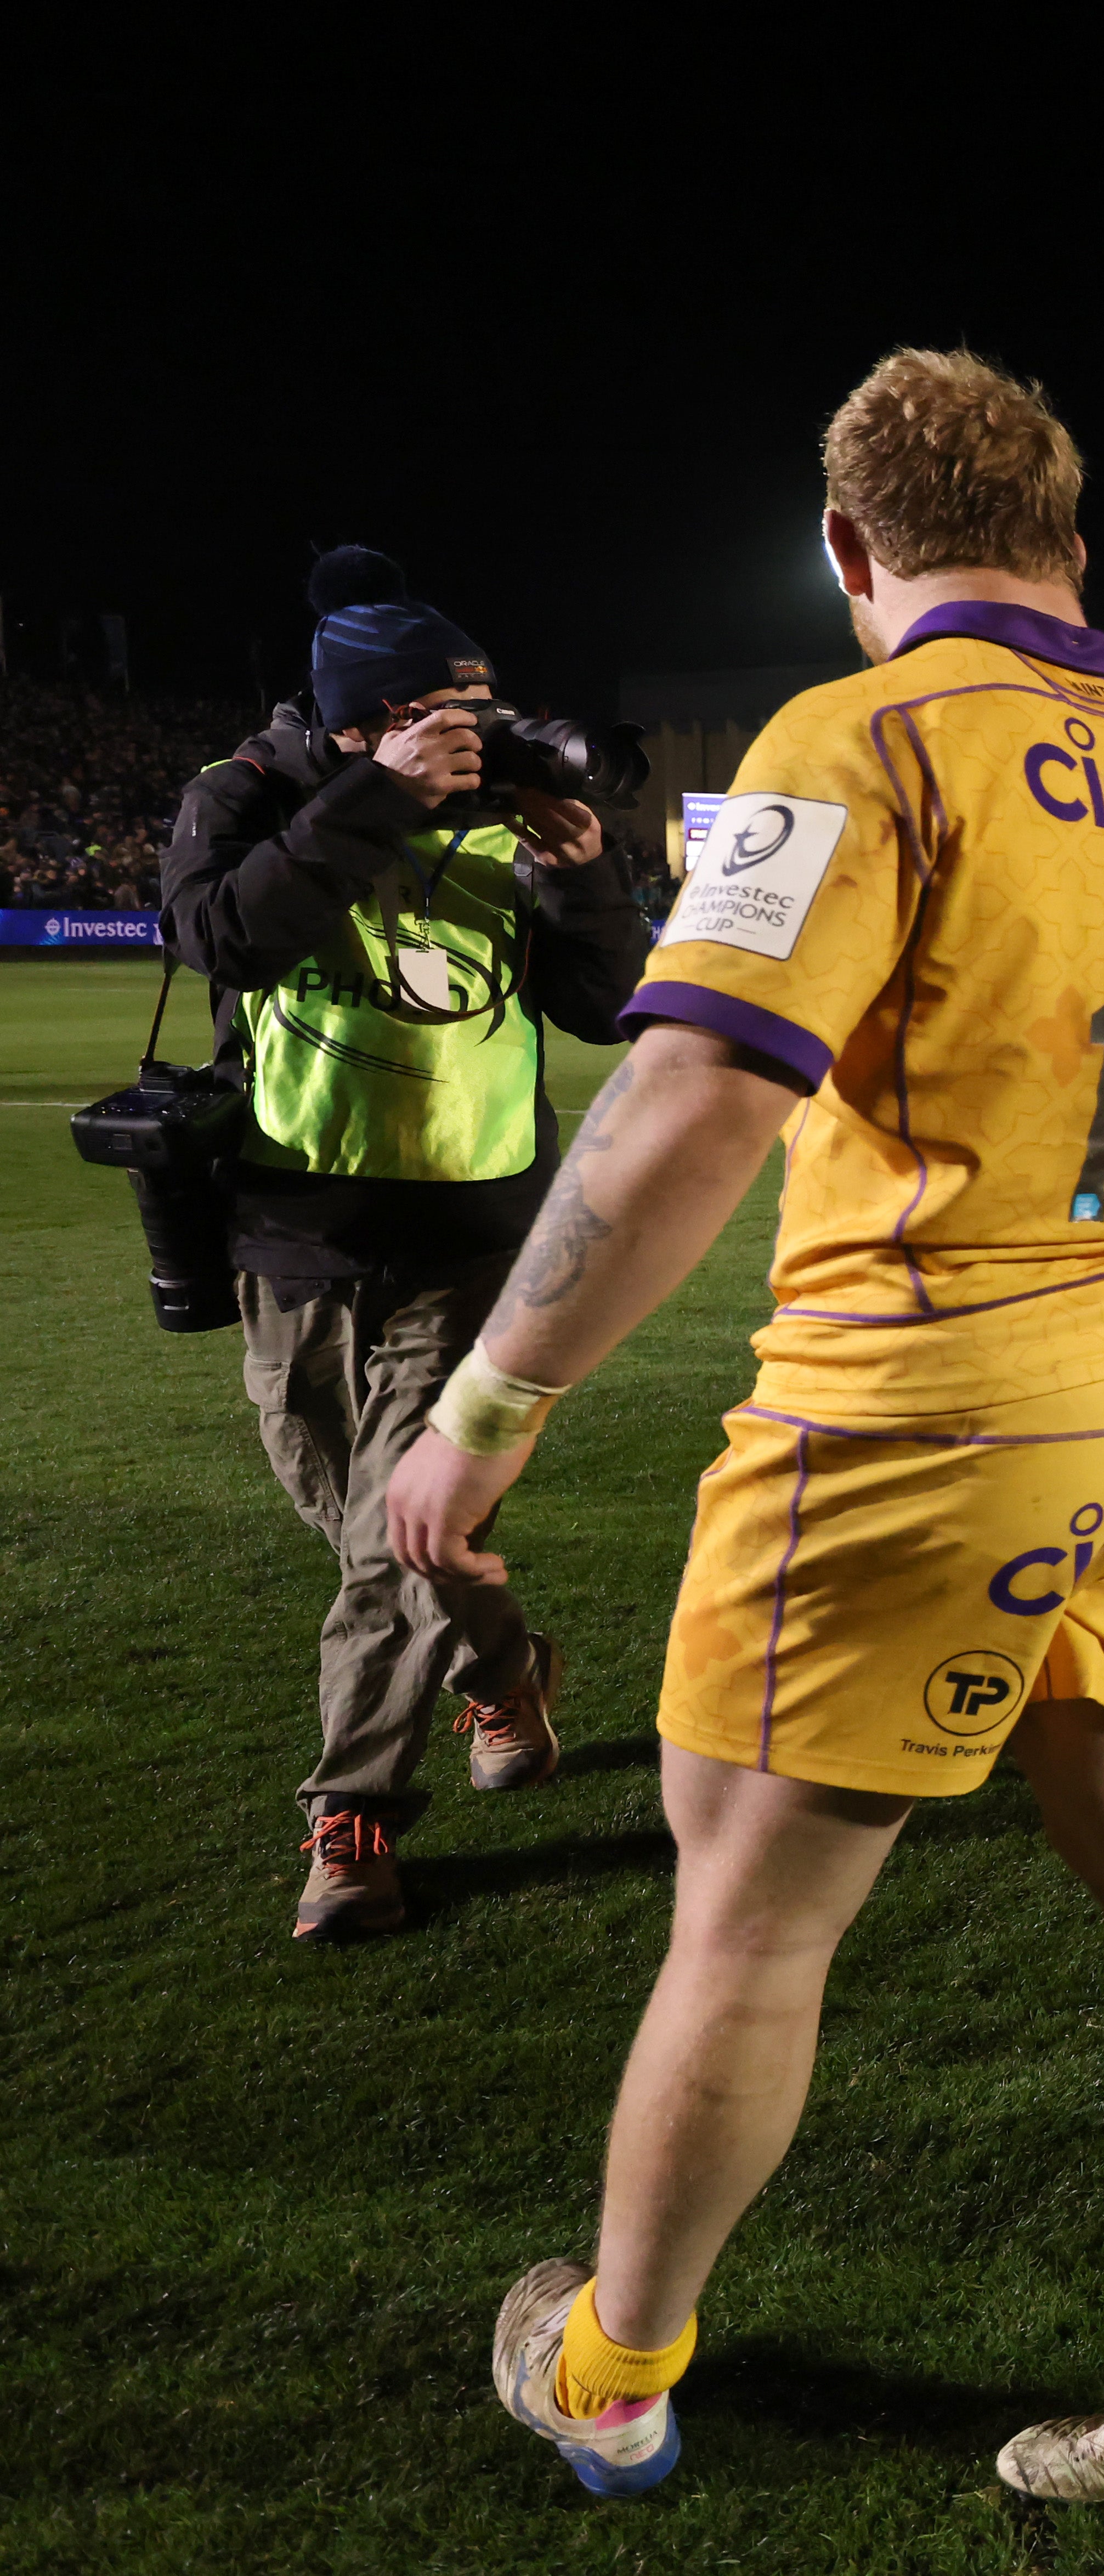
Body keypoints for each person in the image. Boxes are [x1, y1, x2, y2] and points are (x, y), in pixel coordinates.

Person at [390, 350, 1104, 2505]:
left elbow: (694, 1098)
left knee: (751, 1916)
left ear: (848, 546)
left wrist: (493, 1401)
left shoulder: (856, 737)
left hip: (920, 1420)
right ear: (1072, 544)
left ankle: (612, 2369)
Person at [160, 545, 650, 1940]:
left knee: (391, 1536)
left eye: (479, 707)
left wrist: (584, 879)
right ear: (362, 721)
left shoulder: (504, 804)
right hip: (293, 1223)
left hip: (477, 1228)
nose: (472, 735)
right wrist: (377, 799)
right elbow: (217, 934)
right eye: (441, 711)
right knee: (369, 1519)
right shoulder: (246, 792)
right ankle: (506, 1666)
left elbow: (607, 1004)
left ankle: (353, 1818)